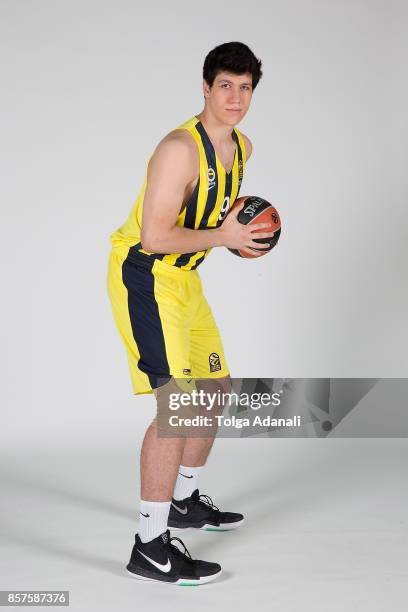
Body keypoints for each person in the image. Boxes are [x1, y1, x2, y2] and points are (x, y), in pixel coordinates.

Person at [107, 41, 274, 585]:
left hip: (185, 277)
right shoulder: (179, 148)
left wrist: (241, 239)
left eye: (245, 87)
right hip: (146, 273)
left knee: (217, 386)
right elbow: (155, 235)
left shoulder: (242, 146)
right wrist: (223, 236)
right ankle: (149, 545)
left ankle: (182, 501)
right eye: (225, 85)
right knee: (176, 404)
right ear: (205, 88)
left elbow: (215, 218)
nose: (235, 97)